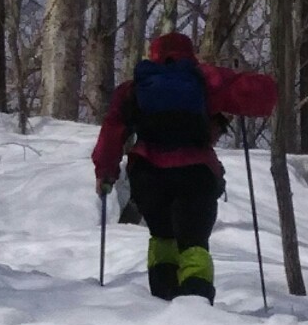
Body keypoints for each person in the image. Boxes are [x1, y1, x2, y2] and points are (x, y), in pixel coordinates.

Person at [92, 31, 277, 304]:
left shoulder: (133, 88)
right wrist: (243, 78)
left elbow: (112, 132)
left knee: (162, 236)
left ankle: (162, 301)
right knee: (194, 244)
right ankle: (195, 304)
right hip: (196, 174)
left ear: (153, 55)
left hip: (148, 176)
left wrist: (105, 172)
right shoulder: (205, 79)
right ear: (190, 54)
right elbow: (265, 94)